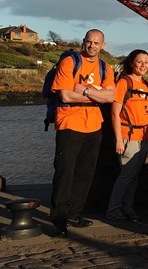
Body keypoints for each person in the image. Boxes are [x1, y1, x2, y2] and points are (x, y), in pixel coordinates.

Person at [49, 29, 116, 237]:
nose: (92, 46)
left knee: (85, 173)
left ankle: (74, 213)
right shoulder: (70, 62)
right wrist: (98, 95)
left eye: (97, 43)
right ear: (83, 42)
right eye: (89, 42)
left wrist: (86, 91)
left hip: (94, 124)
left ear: (102, 45)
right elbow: (66, 96)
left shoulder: (105, 67)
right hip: (69, 122)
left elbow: (111, 97)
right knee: (65, 172)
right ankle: (59, 218)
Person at [105, 49, 148, 222]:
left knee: (134, 175)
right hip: (128, 136)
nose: (143, 65)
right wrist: (118, 139)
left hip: (144, 137)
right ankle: (113, 208)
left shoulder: (146, 85)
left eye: (146, 62)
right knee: (126, 175)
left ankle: (127, 206)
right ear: (132, 63)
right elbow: (115, 113)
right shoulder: (125, 83)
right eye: (139, 61)